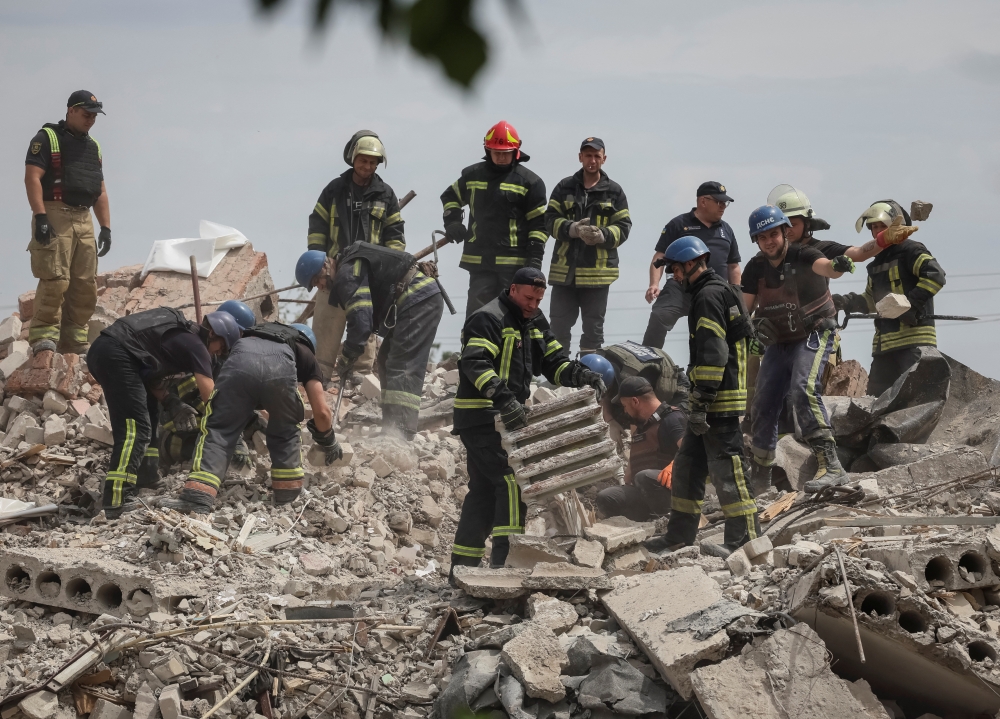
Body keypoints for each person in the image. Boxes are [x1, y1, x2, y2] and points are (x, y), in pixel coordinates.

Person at [449, 268, 607, 578]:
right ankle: (505, 564)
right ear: (512, 290)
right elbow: (474, 363)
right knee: (510, 481)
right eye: (528, 297)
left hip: (502, 419)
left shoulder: (534, 321)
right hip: (481, 416)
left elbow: (554, 362)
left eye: (538, 298)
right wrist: (504, 398)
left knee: (482, 491)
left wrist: (581, 375)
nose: (533, 304)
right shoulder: (488, 318)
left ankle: (461, 568)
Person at [644, 237, 759, 557]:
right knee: (687, 467)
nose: (674, 277)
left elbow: (714, 354)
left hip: (716, 402)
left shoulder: (708, 297)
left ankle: (745, 539)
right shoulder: (721, 290)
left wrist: (702, 402)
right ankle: (679, 535)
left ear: (691, 264)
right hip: (708, 401)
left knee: (728, 470)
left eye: (676, 270)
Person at [163, 322, 342, 514]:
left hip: (240, 363)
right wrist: (329, 441)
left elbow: (238, 393)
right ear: (307, 343)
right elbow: (322, 413)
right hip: (280, 373)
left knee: (219, 430)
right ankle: (287, 497)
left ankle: (197, 498)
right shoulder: (305, 354)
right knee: (286, 430)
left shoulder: (249, 337)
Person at [741, 206, 856, 494]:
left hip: (814, 334)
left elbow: (827, 268)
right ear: (756, 240)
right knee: (763, 404)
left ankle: (831, 466)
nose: (769, 241)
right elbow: (744, 311)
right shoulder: (755, 268)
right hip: (779, 343)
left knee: (803, 389)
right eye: (762, 237)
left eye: (774, 234)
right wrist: (748, 333)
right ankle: (761, 481)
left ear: (784, 233)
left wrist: (838, 266)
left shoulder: (803, 254)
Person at [87, 309, 240, 518]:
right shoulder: (197, 345)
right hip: (115, 354)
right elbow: (210, 397)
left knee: (149, 414)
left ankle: (147, 477)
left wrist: (172, 403)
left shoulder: (180, 337)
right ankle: (117, 500)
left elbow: (150, 378)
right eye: (220, 348)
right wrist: (229, 428)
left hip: (112, 353)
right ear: (213, 334)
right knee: (135, 429)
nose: (216, 354)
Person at [306, 131, 403, 380]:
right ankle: (320, 379)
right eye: (363, 160)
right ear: (352, 158)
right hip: (335, 272)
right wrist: (320, 265)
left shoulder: (386, 195)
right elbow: (317, 226)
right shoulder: (334, 190)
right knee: (325, 331)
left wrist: (387, 273)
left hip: (368, 277)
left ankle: (359, 382)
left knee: (364, 326)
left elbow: (395, 236)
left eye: (372, 162)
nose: (367, 166)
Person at [24, 90, 112, 355]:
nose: (91, 120)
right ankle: (43, 336)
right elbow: (32, 178)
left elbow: (101, 190)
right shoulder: (47, 138)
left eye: (94, 116)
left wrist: (105, 227)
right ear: (71, 110)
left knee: (84, 282)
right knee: (55, 277)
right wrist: (40, 216)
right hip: (55, 213)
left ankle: (74, 339)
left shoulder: (93, 146)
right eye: (86, 115)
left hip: (84, 217)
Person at [833, 200, 945, 397]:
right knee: (876, 404)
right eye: (873, 227)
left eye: (881, 227)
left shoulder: (911, 250)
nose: (877, 233)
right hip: (884, 348)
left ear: (895, 227)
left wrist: (911, 305)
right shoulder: (875, 264)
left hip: (914, 345)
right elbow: (871, 301)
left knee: (916, 401)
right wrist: (847, 301)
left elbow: (935, 275)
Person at [440, 121, 549, 317]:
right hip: (479, 261)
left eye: (505, 153)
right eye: (496, 152)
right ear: (487, 149)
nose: (500, 157)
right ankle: (475, 349)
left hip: (515, 265)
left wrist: (534, 261)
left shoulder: (530, 182)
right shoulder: (472, 175)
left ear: (516, 150)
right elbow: (450, 197)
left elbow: (539, 225)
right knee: (478, 316)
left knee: (514, 316)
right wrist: (453, 222)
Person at [543, 137, 632, 355]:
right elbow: (548, 220)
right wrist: (572, 229)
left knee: (593, 330)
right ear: (580, 157)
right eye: (588, 155)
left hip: (598, 274)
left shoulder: (614, 192)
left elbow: (624, 226)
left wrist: (602, 235)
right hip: (565, 272)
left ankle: (586, 376)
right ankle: (558, 375)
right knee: (558, 326)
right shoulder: (564, 187)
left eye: (596, 156)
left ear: (604, 159)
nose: (592, 160)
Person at [642, 182, 741, 348]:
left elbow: (733, 266)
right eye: (719, 202)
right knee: (659, 316)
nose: (723, 206)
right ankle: (647, 360)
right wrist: (654, 284)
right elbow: (660, 256)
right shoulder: (678, 224)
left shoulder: (727, 230)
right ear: (703, 201)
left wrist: (736, 294)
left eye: (725, 203)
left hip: (715, 291)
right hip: (681, 287)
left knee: (713, 333)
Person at [595, 376, 686, 522]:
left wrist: (673, 466)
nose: (625, 411)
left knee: (644, 477)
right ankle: (638, 527)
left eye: (625, 406)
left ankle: (672, 523)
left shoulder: (672, 418)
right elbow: (636, 461)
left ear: (635, 401)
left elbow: (693, 450)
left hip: (676, 492)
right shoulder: (640, 427)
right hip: (645, 490)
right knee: (607, 497)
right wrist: (626, 479)